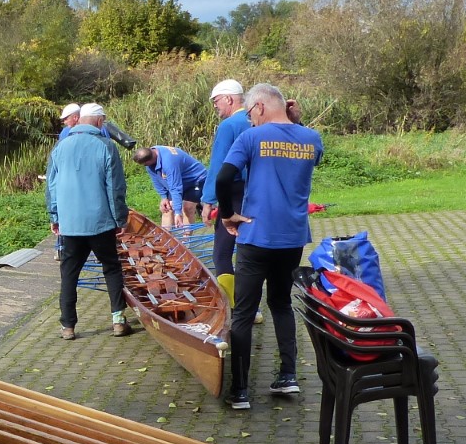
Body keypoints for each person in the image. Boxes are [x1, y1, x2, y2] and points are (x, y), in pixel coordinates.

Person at [215, 82, 323, 410]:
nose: (250, 119)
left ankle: (240, 391)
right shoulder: (311, 137)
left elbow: (223, 177)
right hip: (292, 238)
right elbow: (310, 156)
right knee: (281, 304)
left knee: (244, 313)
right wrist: (297, 122)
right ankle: (288, 375)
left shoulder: (251, 137)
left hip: (256, 236)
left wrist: (227, 214)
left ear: (260, 106)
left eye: (250, 113)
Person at [46, 102, 132, 340]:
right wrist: (120, 219)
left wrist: (54, 216)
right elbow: (115, 187)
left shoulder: (60, 147)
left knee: (69, 273)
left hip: (70, 224)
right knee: (111, 268)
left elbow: (51, 186)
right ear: (99, 121)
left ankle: (68, 326)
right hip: (100, 222)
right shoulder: (106, 146)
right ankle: (118, 321)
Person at [202, 79, 251, 284]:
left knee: (222, 253)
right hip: (257, 192)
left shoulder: (229, 125)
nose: (215, 106)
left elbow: (219, 165)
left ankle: (232, 299)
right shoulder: (257, 121)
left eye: (216, 101)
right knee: (248, 250)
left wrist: (208, 200)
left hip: (235, 194)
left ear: (229, 99)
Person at [132, 144, 207, 228]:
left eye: (145, 164)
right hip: (179, 180)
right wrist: (164, 197)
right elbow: (156, 179)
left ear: (149, 160)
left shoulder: (169, 162)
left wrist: (178, 212)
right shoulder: (151, 155)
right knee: (167, 208)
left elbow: (176, 188)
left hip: (196, 179)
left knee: (187, 208)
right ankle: (165, 236)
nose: (145, 166)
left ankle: (185, 236)